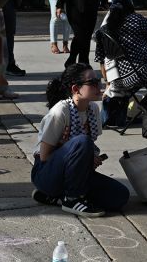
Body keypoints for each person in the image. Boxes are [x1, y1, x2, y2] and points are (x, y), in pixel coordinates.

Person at [30, 63, 129, 218]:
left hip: (75, 174)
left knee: (119, 196)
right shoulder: (60, 112)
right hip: (46, 173)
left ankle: (56, 197)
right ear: (76, 89)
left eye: (98, 81)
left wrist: (88, 159)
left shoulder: (93, 109)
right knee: (81, 141)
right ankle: (71, 199)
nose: (99, 86)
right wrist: (72, 151)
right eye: (93, 83)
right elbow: (44, 157)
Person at [93, 0, 147, 135]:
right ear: (130, 9)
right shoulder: (137, 19)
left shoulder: (103, 30)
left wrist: (108, 83)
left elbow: (100, 60)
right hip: (142, 72)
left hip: (116, 80)